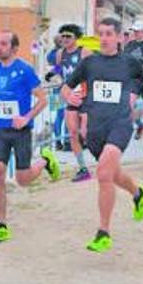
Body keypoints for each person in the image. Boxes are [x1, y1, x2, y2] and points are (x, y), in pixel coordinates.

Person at [61, 17, 143, 253]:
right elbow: (67, 86)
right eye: (101, 33)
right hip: (96, 128)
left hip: (120, 124)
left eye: (108, 34)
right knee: (113, 174)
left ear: (118, 37)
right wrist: (69, 97)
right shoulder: (90, 63)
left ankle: (103, 232)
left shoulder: (129, 62)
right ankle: (138, 193)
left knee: (103, 174)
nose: (104, 38)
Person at [0, 31, 61, 244]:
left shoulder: (25, 70)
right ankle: (1, 225)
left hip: (21, 131)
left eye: (4, 44)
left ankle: (46, 160)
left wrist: (26, 118)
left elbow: (42, 100)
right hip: (1, 130)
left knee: (23, 180)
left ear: (14, 48)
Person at [55, 24, 94, 182]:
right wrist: (56, 79)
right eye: (62, 36)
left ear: (76, 38)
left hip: (85, 94)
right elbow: (59, 71)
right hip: (70, 95)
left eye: (68, 36)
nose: (64, 39)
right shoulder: (60, 53)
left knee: (87, 133)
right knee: (72, 133)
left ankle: (106, 159)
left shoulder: (84, 52)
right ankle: (83, 168)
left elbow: (93, 73)